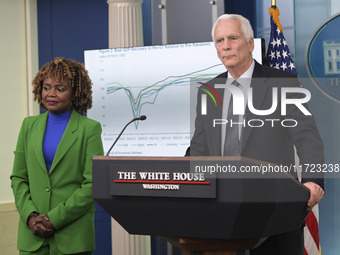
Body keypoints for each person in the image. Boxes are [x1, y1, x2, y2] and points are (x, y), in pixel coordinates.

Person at [189, 14, 325, 255]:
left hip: (274, 213)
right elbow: (200, 148)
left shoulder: (282, 83)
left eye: (232, 38)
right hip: (220, 213)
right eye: (220, 41)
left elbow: (307, 136)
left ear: (250, 44)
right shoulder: (208, 91)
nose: (226, 46)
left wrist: (312, 180)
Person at [10, 57, 104, 255]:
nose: (51, 94)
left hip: (72, 237)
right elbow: (19, 177)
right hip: (32, 236)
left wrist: (54, 219)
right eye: (46, 87)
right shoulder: (29, 126)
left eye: (60, 88)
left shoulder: (90, 129)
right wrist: (30, 216)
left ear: (75, 93)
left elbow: (93, 184)